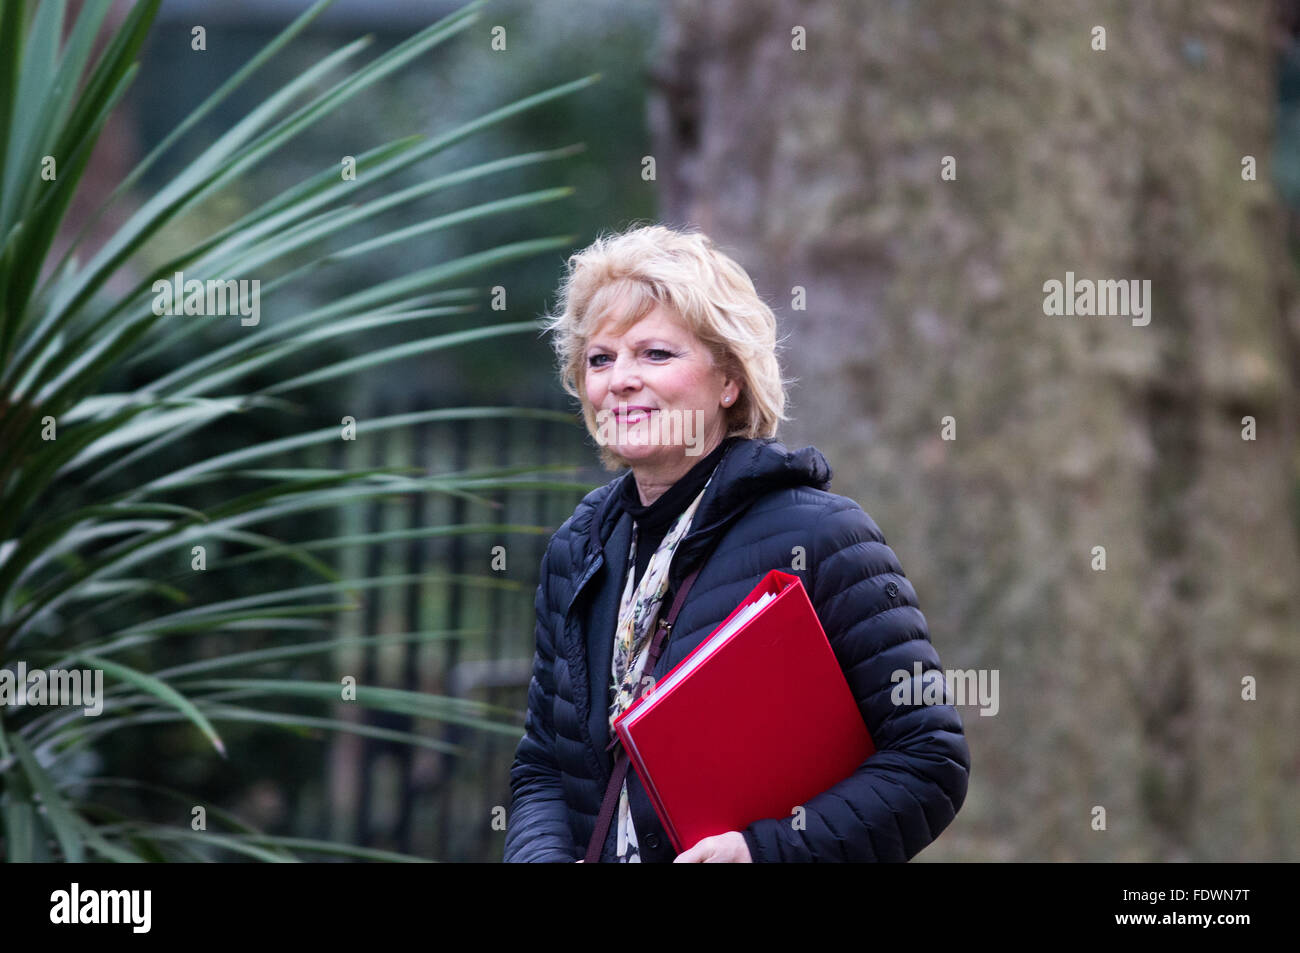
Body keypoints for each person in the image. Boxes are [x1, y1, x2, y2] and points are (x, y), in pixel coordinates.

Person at [503, 223, 970, 862]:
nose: (621, 380)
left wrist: (761, 852)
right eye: (600, 359)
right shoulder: (576, 549)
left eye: (655, 354)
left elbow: (928, 763)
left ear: (729, 381)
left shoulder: (824, 536)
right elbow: (542, 769)